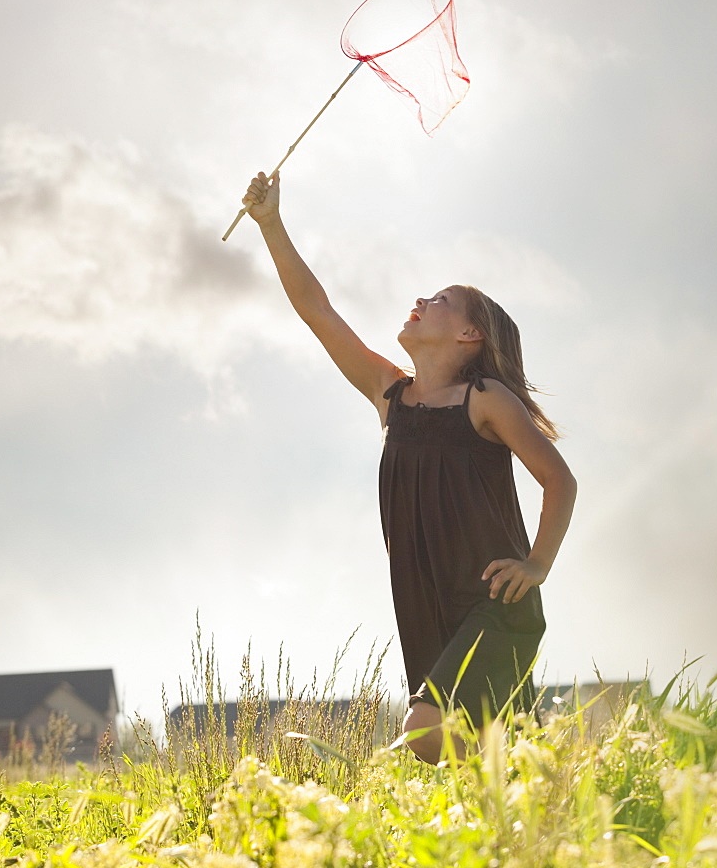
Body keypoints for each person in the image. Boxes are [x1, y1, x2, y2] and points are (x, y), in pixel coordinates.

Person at [242, 170, 577, 764]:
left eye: (439, 300)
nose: (421, 303)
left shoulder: (486, 400)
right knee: (491, 750)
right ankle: (537, 808)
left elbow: (559, 480)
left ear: (470, 334)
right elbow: (316, 310)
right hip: (423, 598)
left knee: (425, 733)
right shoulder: (389, 394)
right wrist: (270, 224)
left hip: (494, 601)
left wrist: (538, 563)